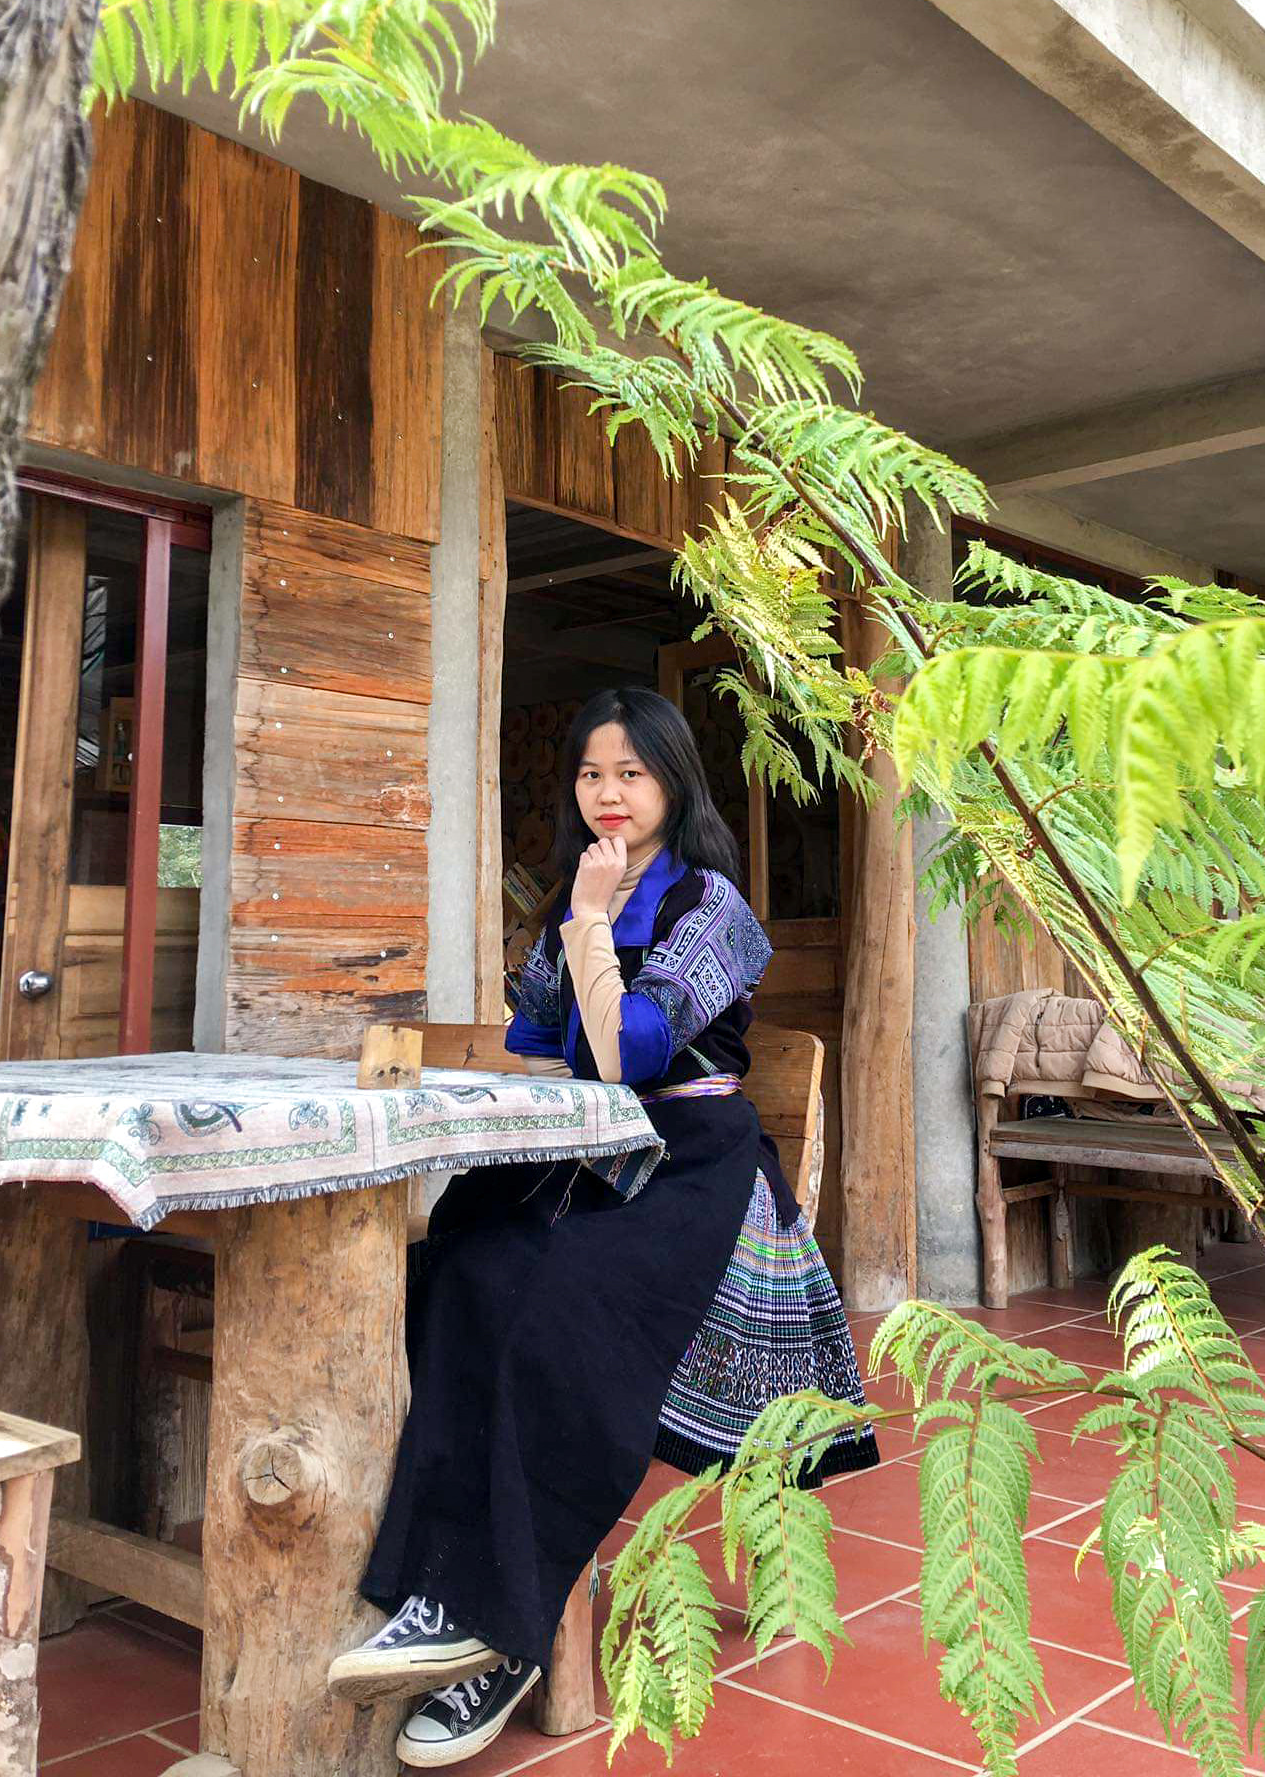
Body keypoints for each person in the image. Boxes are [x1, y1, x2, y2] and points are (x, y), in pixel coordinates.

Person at [327, 687, 876, 1767]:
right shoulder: (576, 895)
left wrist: (587, 924)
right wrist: (575, 933)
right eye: (590, 773)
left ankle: (498, 1635)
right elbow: (539, 1036)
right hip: (583, 1155)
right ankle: (440, 1589)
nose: (608, 792)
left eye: (630, 772)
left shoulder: (713, 905)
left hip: (692, 1166)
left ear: (673, 781)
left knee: (556, 1311)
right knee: (460, 1268)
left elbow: (628, 1052)